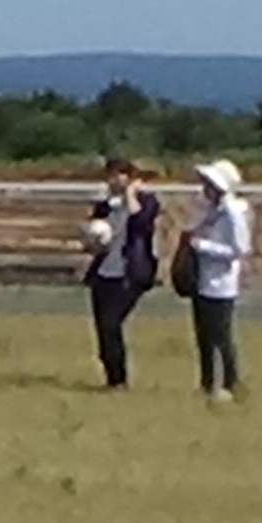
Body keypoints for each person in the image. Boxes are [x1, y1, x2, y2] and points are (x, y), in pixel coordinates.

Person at [81, 156, 162, 392]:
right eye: (110, 176)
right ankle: (112, 378)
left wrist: (131, 195)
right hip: (104, 272)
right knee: (103, 328)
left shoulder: (147, 202)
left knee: (111, 323)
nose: (113, 180)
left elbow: (140, 224)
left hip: (130, 273)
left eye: (119, 175)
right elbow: (94, 235)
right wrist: (92, 244)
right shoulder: (106, 205)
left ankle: (120, 380)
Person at [182, 160, 251, 402]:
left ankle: (230, 383)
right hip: (203, 280)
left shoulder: (233, 212)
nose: (204, 188)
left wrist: (204, 247)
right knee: (203, 337)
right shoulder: (213, 210)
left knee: (220, 336)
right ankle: (207, 383)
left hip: (221, 285)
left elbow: (239, 249)